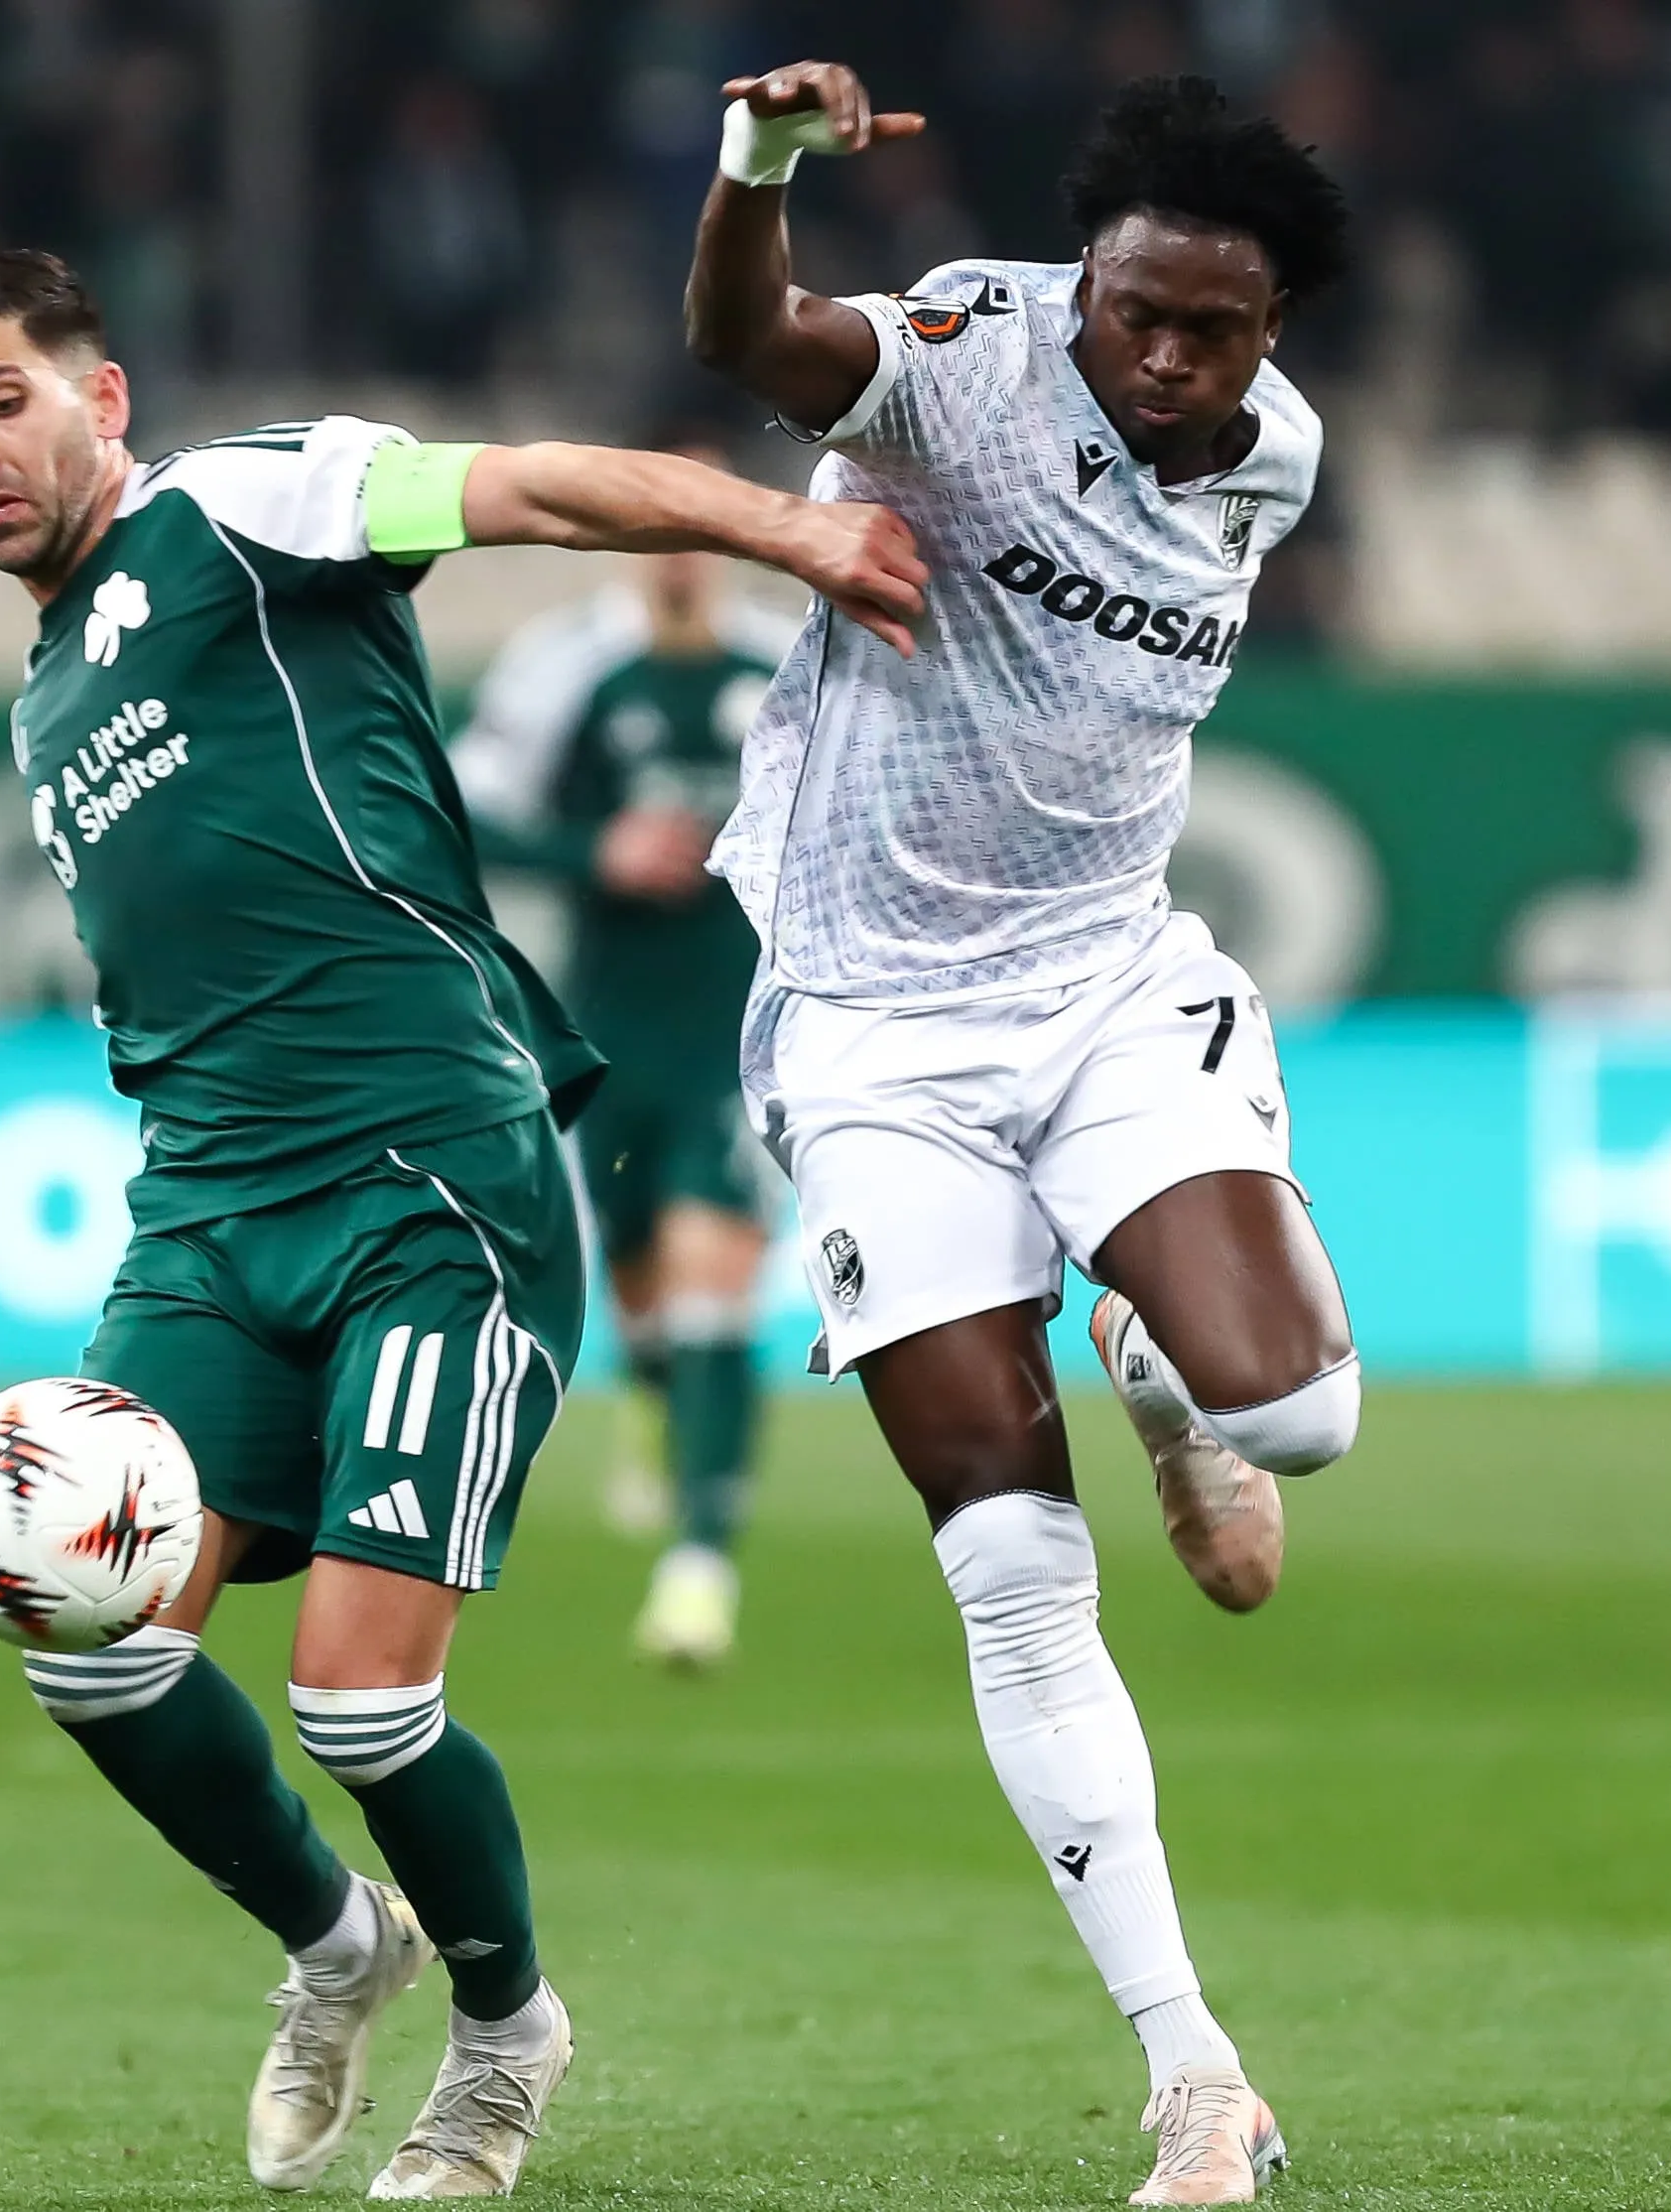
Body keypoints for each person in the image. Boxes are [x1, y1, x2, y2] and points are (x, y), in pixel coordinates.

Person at [0, 249, 921, 2199]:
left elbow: (529, 485)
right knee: (85, 1640)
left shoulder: (241, 503)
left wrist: (783, 527)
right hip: (206, 1209)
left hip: (427, 1174)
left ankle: (507, 2028)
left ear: (100, 399)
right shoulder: (46, 693)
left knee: (358, 1694)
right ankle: (338, 1944)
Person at [684, 64, 1359, 2208]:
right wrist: (758, 171)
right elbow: (752, 338)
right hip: (871, 1029)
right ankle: (1194, 2075)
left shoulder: (1277, 460)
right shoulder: (968, 358)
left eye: (1208, 331)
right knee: (1004, 1559)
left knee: (1303, 1417)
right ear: (1085, 279)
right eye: (1132, 311)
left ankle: (1160, 1362)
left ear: (1268, 336)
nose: (1157, 358)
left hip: (1099, 992)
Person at [449, 436, 794, 1668]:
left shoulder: (785, 662)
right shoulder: (566, 666)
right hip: (608, 1032)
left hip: (751, 1030)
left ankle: (699, 1568)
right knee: (642, 1285)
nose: (681, 546)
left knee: (712, 1275)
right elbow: (461, 813)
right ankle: (653, 1394)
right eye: (662, 517)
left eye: (707, 515)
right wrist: (593, 851)